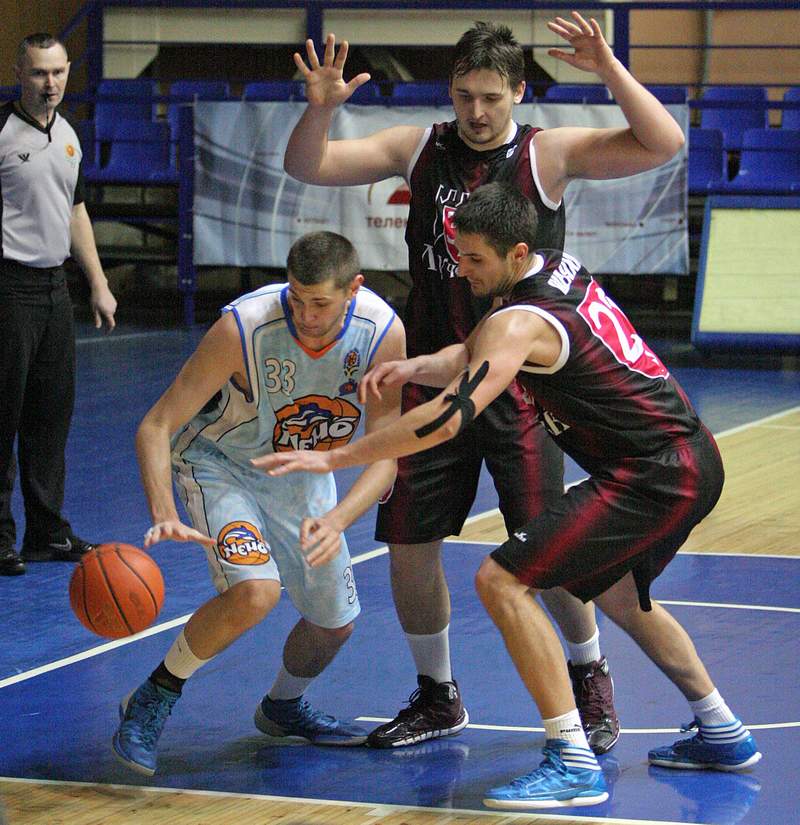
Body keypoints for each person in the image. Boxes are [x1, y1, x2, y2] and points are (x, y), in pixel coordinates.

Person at [255, 182, 761, 809]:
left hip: (656, 472)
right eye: (457, 255)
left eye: (474, 260)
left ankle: (571, 759)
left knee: (501, 581)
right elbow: (475, 354)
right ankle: (722, 730)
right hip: (682, 458)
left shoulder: (519, 321)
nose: (461, 270)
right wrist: (414, 367)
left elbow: (448, 418)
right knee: (619, 595)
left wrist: (334, 456)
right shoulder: (554, 271)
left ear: (516, 253)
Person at [282, 11, 685, 751]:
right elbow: (309, 166)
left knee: (549, 548)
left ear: (518, 93)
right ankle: (437, 693)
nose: (476, 111)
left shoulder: (546, 155)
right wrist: (320, 111)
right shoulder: (417, 147)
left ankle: (589, 674)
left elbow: (665, 143)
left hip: (523, 389)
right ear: (450, 91)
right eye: (465, 95)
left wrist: (608, 68)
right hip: (434, 378)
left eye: (491, 97)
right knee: (410, 544)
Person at [112, 231, 405, 776]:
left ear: (354, 289)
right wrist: (163, 511)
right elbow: (156, 424)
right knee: (255, 592)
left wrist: (339, 518)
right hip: (220, 464)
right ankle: (153, 696)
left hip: (302, 474)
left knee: (334, 625)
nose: (306, 315)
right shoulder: (243, 327)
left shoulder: (383, 333)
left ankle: (282, 706)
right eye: (296, 297)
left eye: (320, 303)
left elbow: (386, 451)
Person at [0, 33, 117, 577]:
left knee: (50, 417)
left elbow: (75, 212)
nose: (50, 84)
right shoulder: (3, 133)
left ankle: (46, 532)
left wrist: (98, 282)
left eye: (58, 72)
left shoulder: (68, 134)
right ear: (18, 74)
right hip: (7, 287)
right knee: (3, 416)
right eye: (39, 73)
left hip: (54, 290)